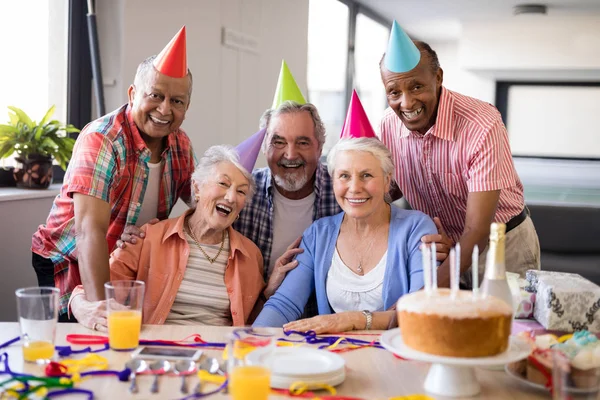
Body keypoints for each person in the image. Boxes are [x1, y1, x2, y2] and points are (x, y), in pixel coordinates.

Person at [31, 27, 196, 320]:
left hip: (124, 257)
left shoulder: (181, 144)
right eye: (155, 95)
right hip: (68, 257)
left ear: (187, 107)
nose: (164, 109)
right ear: (133, 94)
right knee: (81, 337)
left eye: (177, 101)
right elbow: (88, 230)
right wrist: (99, 309)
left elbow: (201, 206)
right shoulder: (102, 139)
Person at [378, 21, 540, 287]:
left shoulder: (482, 123)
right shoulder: (388, 124)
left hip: (501, 246)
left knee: (503, 326)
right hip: (440, 246)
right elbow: (390, 188)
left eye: (416, 87)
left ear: (438, 77)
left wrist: (425, 293)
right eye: (394, 92)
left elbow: (476, 232)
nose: (406, 103)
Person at [69, 146, 272, 331]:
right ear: (197, 187)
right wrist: (80, 306)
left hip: (219, 356)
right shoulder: (148, 238)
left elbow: (253, 323)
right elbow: (92, 292)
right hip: (156, 353)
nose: (230, 197)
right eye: (223, 183)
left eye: (241, 192)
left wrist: (268, 291)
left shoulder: (250, 255)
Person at [253, 137, 437, 333]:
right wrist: (249, 342)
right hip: (334, 357)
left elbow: (422, 308)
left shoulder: (417, 228)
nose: (355, 187)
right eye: (344, 176)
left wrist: (353, 319)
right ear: (333, 182)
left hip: (395, 356)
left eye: (366, 175)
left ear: (387, 181)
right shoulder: (318, 234)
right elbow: (284, 305)